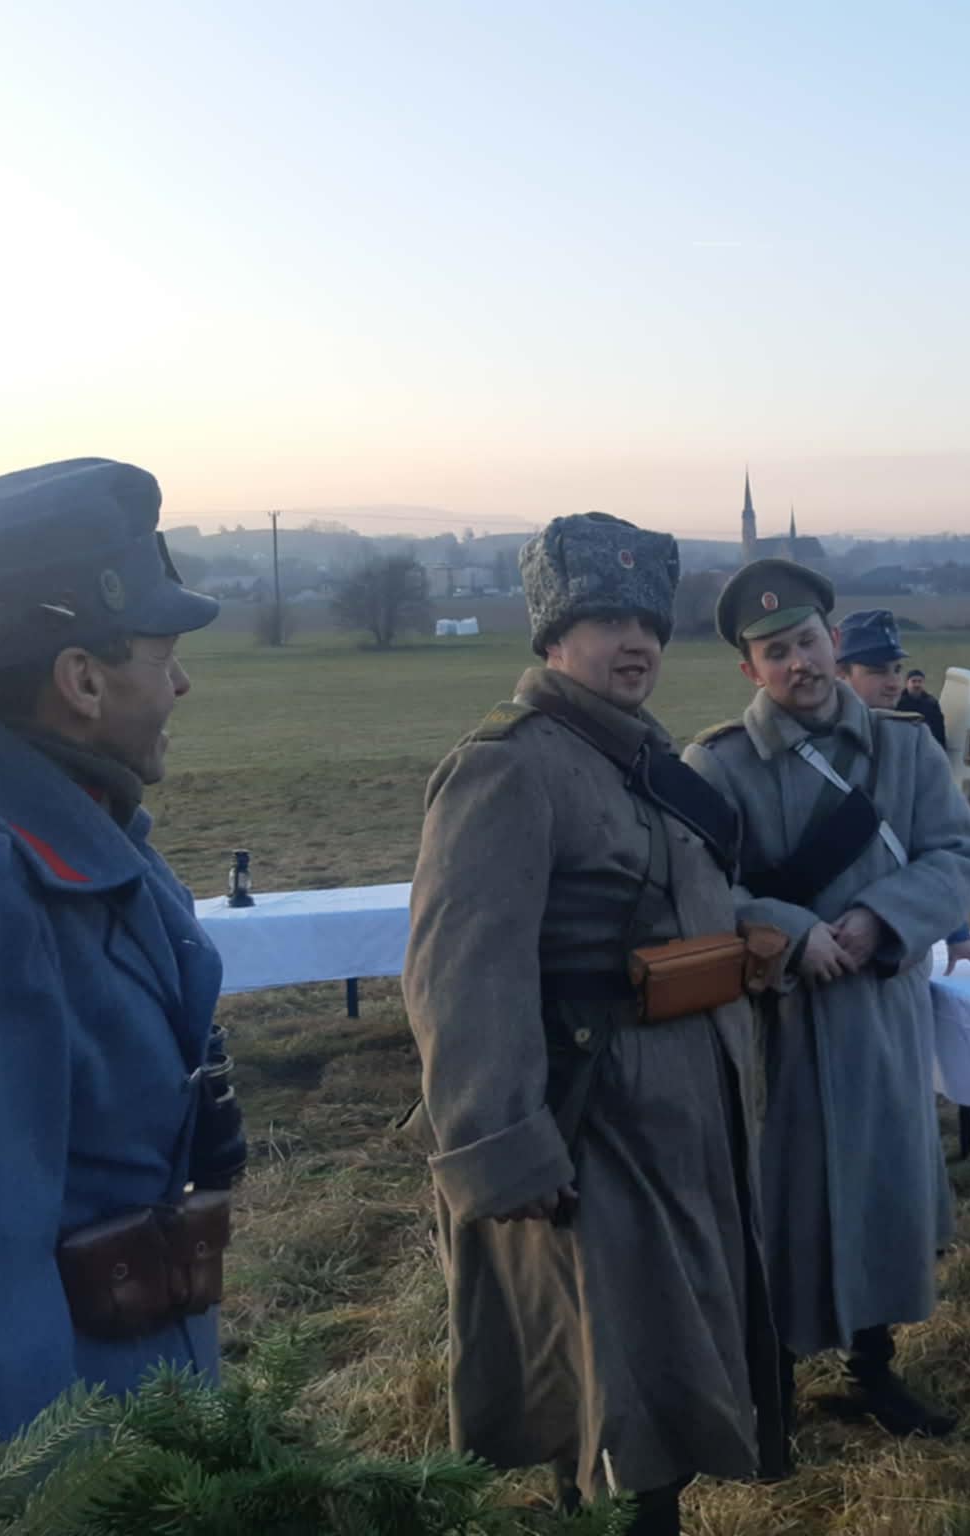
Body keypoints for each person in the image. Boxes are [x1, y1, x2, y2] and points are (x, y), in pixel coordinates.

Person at [403, 513, 780, 1535]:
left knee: (667, 1362)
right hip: (590, 1124)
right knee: (608, 1387)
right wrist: (501, 1148)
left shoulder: (638, 758)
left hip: (680, 1115)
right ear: (552, 634)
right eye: (607, 618)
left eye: (648, 621)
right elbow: (458, 975)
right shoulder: (509, 765)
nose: (635, 641)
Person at [0, 459, 246, 1461]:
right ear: (81, 681)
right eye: (163, 653)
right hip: (77, 1455)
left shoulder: (71, 823)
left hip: (137, 1405)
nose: (181, 682)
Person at [684, 560, 970, 1442]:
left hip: (879, 1015)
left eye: (808, 642)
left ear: (832, 639)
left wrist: (877, 919)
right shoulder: (716, 766)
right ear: (751, 669)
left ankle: (872, 1370)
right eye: (776, 653)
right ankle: (770, 1382)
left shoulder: (905, 749)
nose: (799, 664)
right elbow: (698, 890)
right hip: (772, 1025)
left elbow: (958, 856)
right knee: (776, 1200)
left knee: (880, 1187)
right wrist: (789, 932)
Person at [835, 609, 970, 978]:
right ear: (839, 673)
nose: (894, 683)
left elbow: (939, 846)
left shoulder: (910, 747)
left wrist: (958, 933)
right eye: (877, 671)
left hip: (892, 959)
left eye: (896, 669)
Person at [902, 668, 948, 748]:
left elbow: (939, 729)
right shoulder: (897, 701)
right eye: (913, 681)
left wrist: (941, 748)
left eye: (920, 681)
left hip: (925, 745)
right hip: (903, 744)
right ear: (907, 683)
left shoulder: (931, 703)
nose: (917, 685)